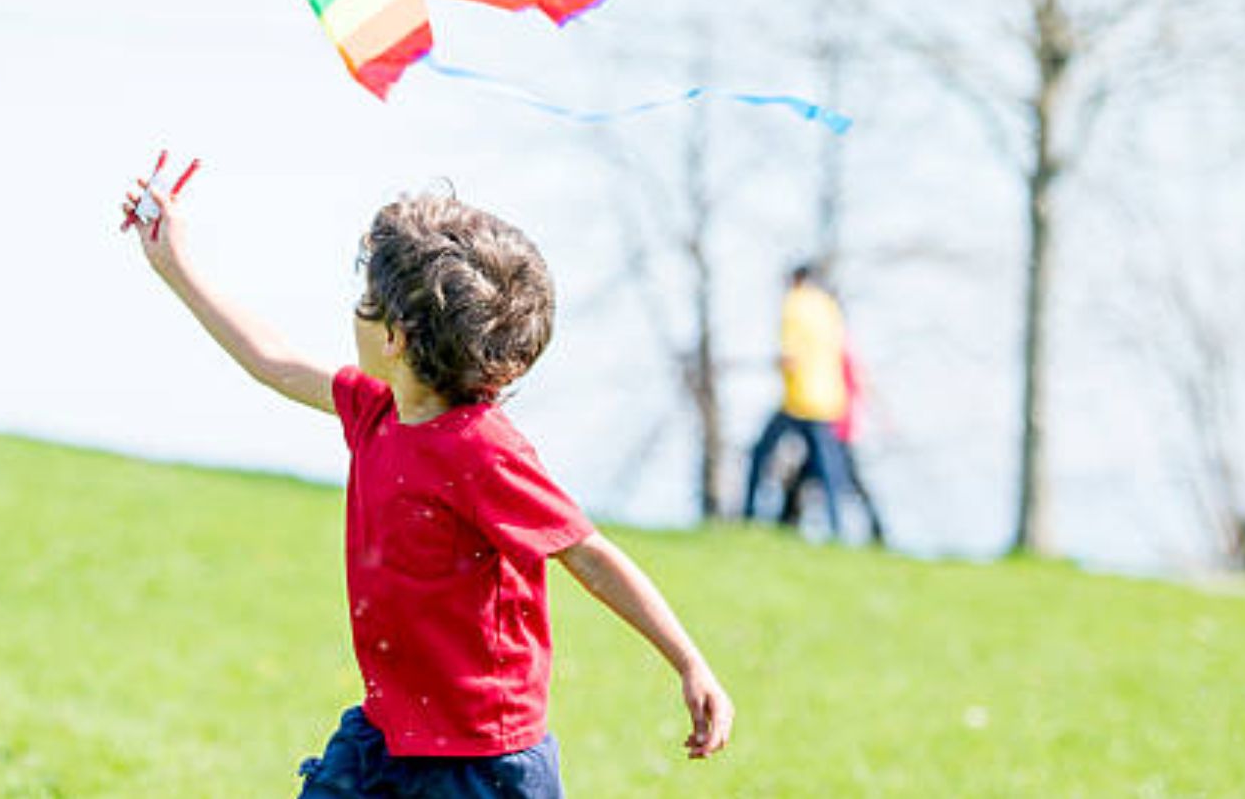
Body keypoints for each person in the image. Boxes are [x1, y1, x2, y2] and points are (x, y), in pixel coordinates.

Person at [122, 178, 733, 798]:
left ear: (396, 338)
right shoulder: (372, 411)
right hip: (384, 738)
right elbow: (271, 359)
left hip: (483, 765)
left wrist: (688, 662)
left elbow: (589, 554)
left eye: (366, 298)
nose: (354, 307)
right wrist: (176, 264)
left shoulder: (483, 449)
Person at [741, 264, 849, 538]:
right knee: (827, 470)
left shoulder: (795, 304)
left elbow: (790, 356)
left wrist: (779, 363)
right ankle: (837, 527)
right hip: (829, 400)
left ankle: (748, 515)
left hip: (799, 399)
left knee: (760, 454)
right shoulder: (828, 307)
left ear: (796, 280)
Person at [779, 340, 886, 544]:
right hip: (830, 428)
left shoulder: (837, 354)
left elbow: (857, 386)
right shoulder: (829, 356)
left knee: (838, 481)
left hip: (836, 431)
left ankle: (867, 531)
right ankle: (786, 524)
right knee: (809, 478)